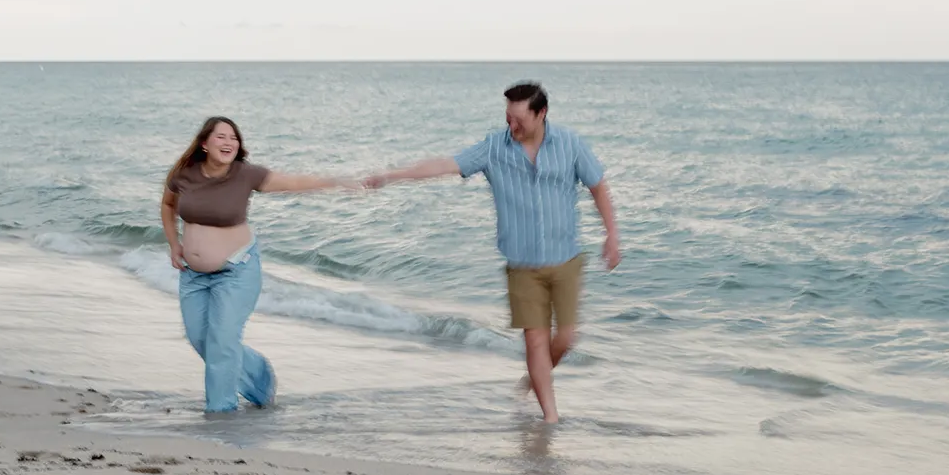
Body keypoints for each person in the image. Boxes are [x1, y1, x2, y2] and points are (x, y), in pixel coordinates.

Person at [365, 81, 620, 423]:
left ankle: (535, 377)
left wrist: (612, 234)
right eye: (507, 117)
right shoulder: (493, 149)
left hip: (566, 261)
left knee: (567, 338)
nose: (511, 126)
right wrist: (391, 176)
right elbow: (444, 164)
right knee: (535, 342)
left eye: (519, 119)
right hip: (522, 265)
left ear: (541, 113)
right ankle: (551, 419)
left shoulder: (570, 144)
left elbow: (597, 186)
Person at [161, 116, 357, 413]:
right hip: (193, 274)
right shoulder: (184, 174)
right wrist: (174, 243)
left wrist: (336, 181)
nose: (229, 143)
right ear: (204, 143)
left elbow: (293, 182)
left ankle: (221, 415)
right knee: (201, 339)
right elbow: (168, 205)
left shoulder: (246, 174)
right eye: (221, 137)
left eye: (234, 138)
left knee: (222, 343)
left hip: (236, 270)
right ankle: (259, 377)